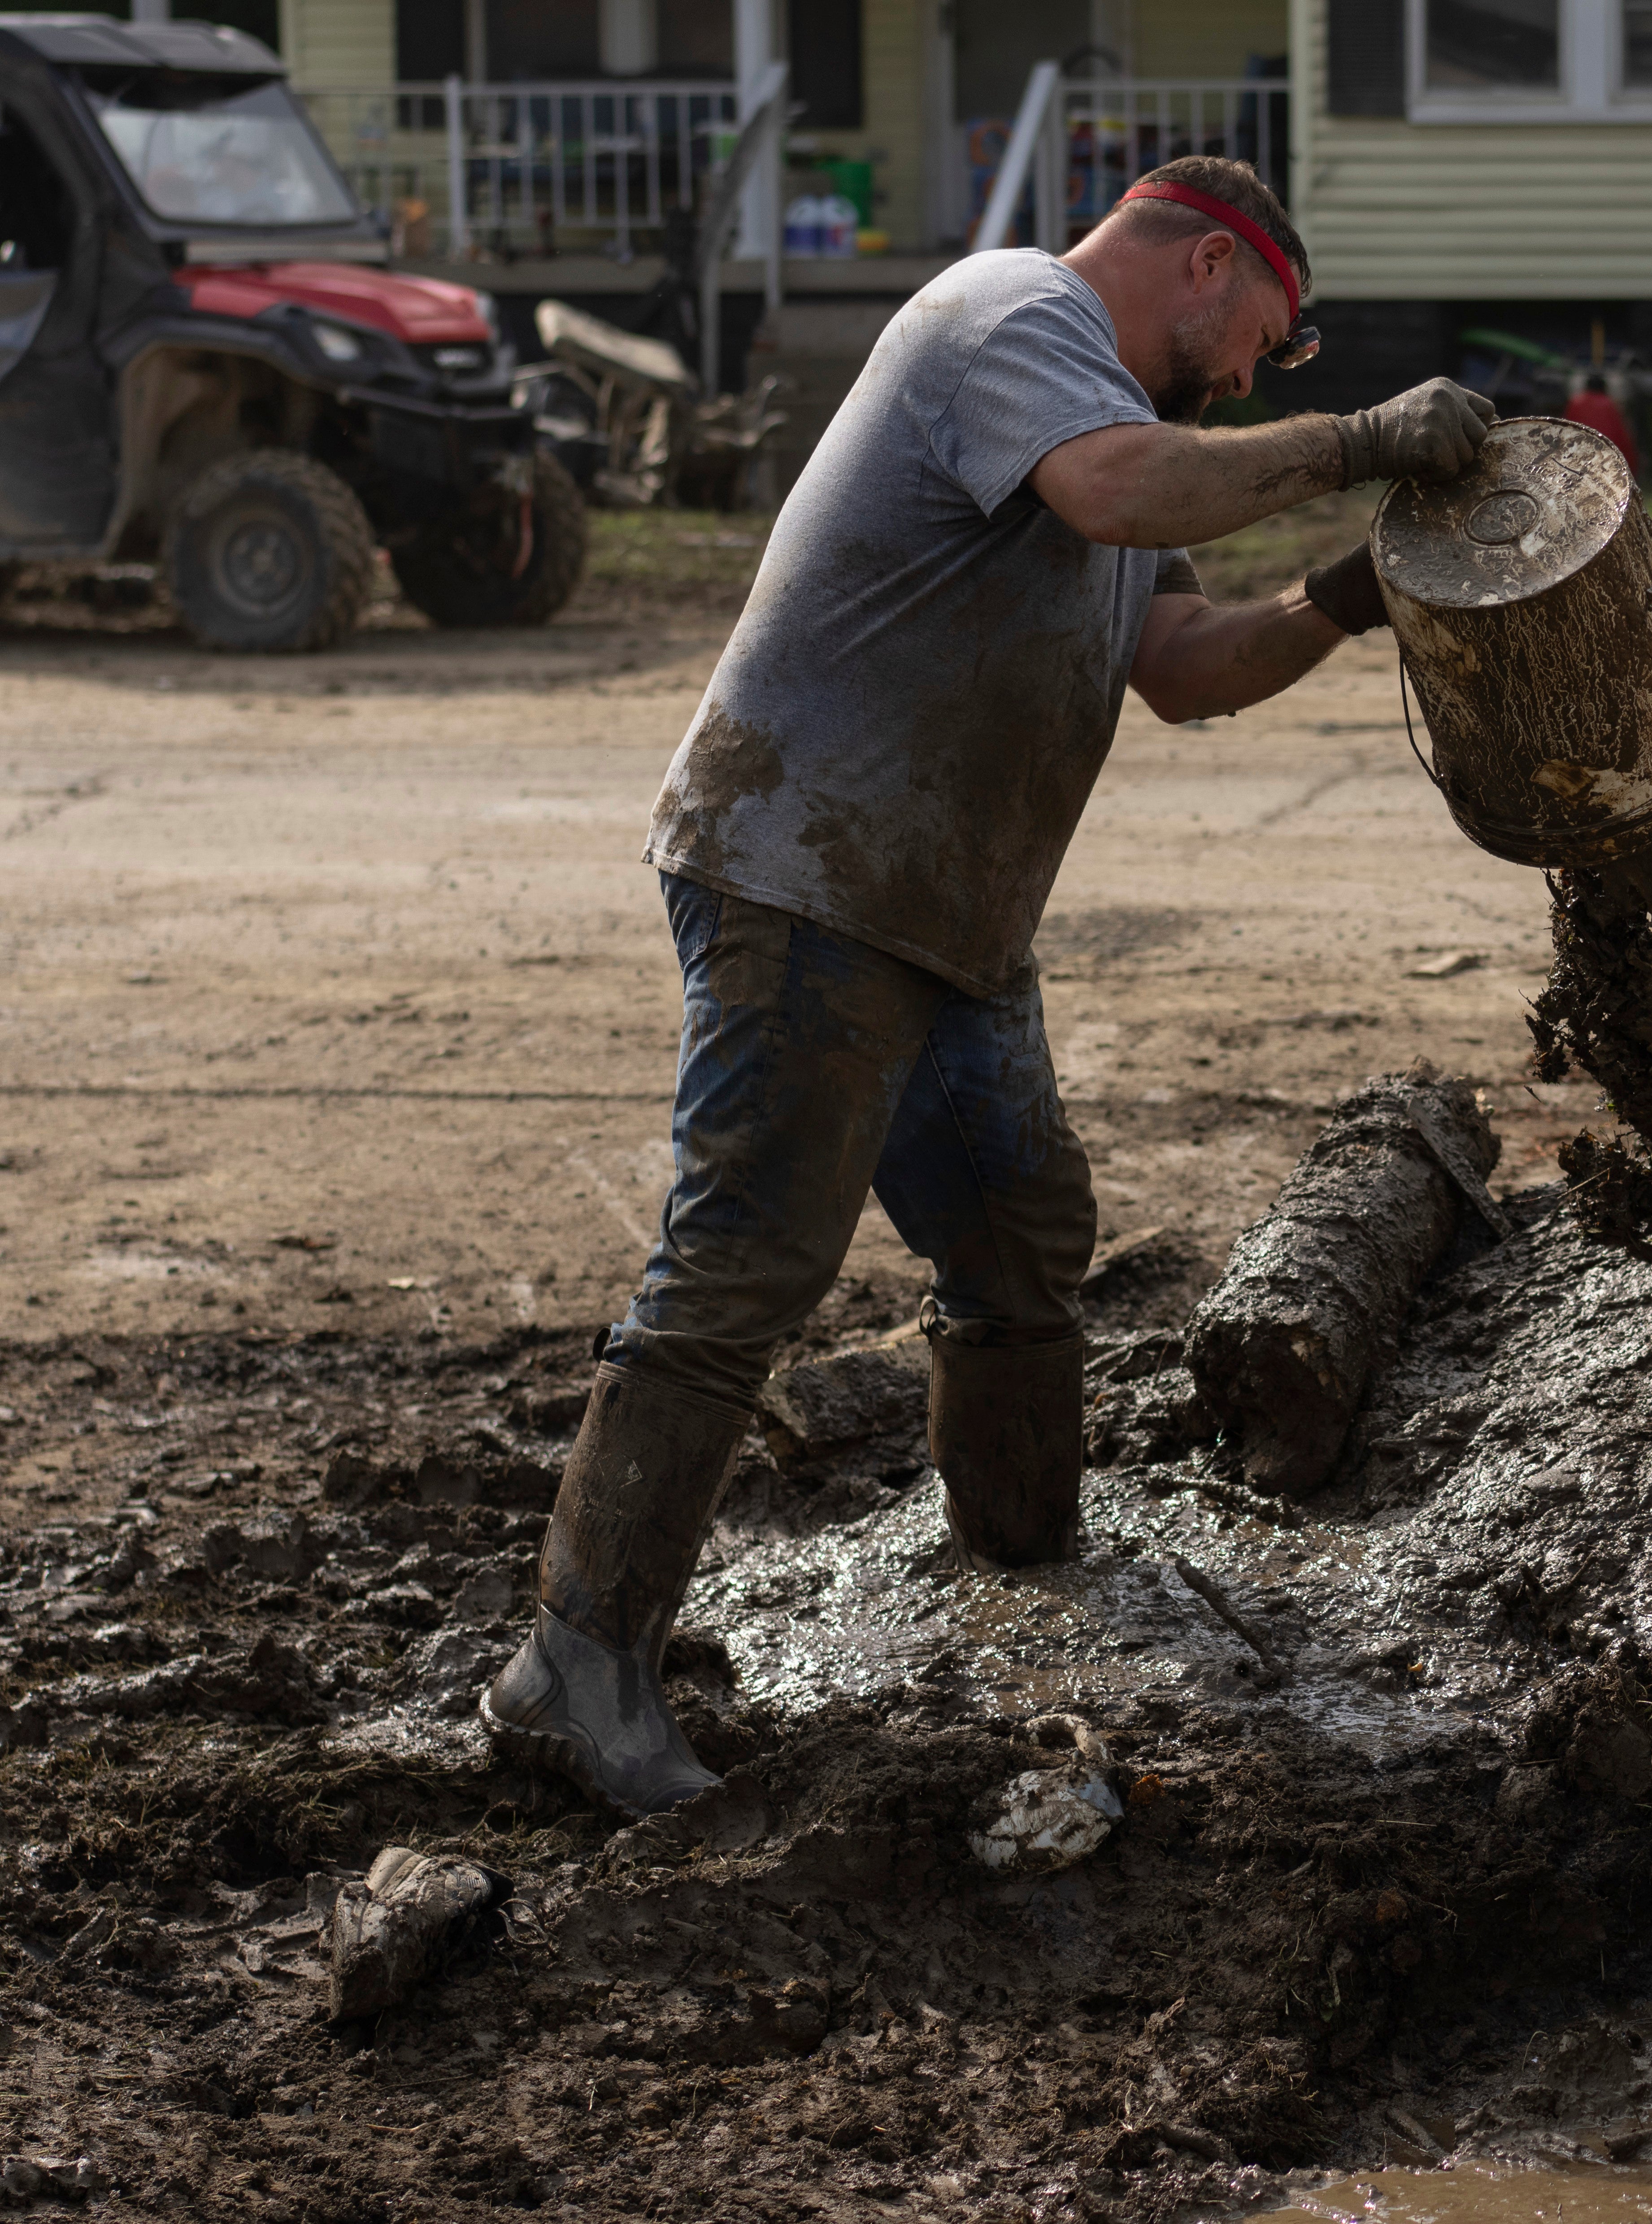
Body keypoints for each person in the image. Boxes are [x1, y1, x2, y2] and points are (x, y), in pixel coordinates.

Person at [481, 156, 1498, 1820]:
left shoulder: (1105, 418)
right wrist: (1360, 442)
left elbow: (1178, 666)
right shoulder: (1011, 314)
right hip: (808, 869)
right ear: (1197, 261)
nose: (1253, 373)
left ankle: (1022, 1562)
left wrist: (1340, 593)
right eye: (1263, 331)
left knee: (1020, 1235)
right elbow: (1115, 489)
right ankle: (570, 1668)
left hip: (943, 913)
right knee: (746, 1260)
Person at [1563, 369, 1638, 475]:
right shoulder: (1611, 405)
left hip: (1579, 457)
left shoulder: (1576, 403)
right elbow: (1622, 438)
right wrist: (1632, 467)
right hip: (1606, 459)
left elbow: (1566, 433)